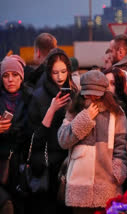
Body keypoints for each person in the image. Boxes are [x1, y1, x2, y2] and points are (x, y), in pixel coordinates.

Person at [58, 70, 127, 214]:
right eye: (88, 92)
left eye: (95, 93)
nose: (91, 97)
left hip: (107, 185)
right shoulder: (75, 109)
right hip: (78, 186)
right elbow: (63, 140)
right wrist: (85, 118)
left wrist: (116, 173)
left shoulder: (116, 112)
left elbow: (121, 146)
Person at [27, 48, 77, 214]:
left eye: (63, 71)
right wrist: (52, 109)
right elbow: (35, 138)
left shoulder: (75, 93)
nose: (60, 77)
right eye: (55, 72)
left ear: (69, 71)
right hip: (49, 164)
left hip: (72, 163)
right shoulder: (39, 96)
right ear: (49, 73)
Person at [0, 55, 32, 214]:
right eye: (5, 75)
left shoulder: (31, 98)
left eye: (15, 75)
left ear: (21, 77)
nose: (10, 79)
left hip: (23, 164)